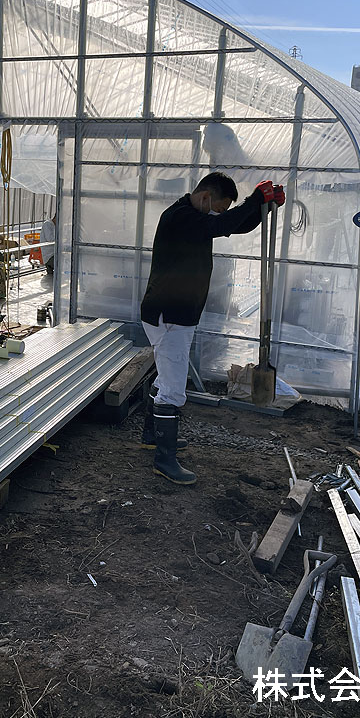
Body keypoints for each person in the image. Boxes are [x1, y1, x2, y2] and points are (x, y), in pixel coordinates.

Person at [140, 172, 285, 485]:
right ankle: (164, 460)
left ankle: (152, 435)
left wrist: (263, 209)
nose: (219, 214)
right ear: (206, 197)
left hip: (175, 313)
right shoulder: (181, 217)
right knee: (174, 389)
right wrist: (255, 200)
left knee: (168, 377)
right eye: (218, 207)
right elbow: (222, 224)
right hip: (170, 315)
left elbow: (231, 224)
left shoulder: (194, 216)